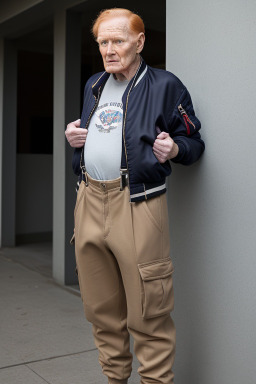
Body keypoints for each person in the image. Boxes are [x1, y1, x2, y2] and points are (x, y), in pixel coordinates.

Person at [65, 8, 205, 384]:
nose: (109, 50)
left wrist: (175, 149)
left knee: (148, 313)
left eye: (118, 41)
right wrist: (76, 142)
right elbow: (98, 139)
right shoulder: (94, 84)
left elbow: (194, 142)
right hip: (89, 200)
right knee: (101, 310)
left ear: (139, 42)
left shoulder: (164, 85)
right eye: (103, 42)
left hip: (138, 203)